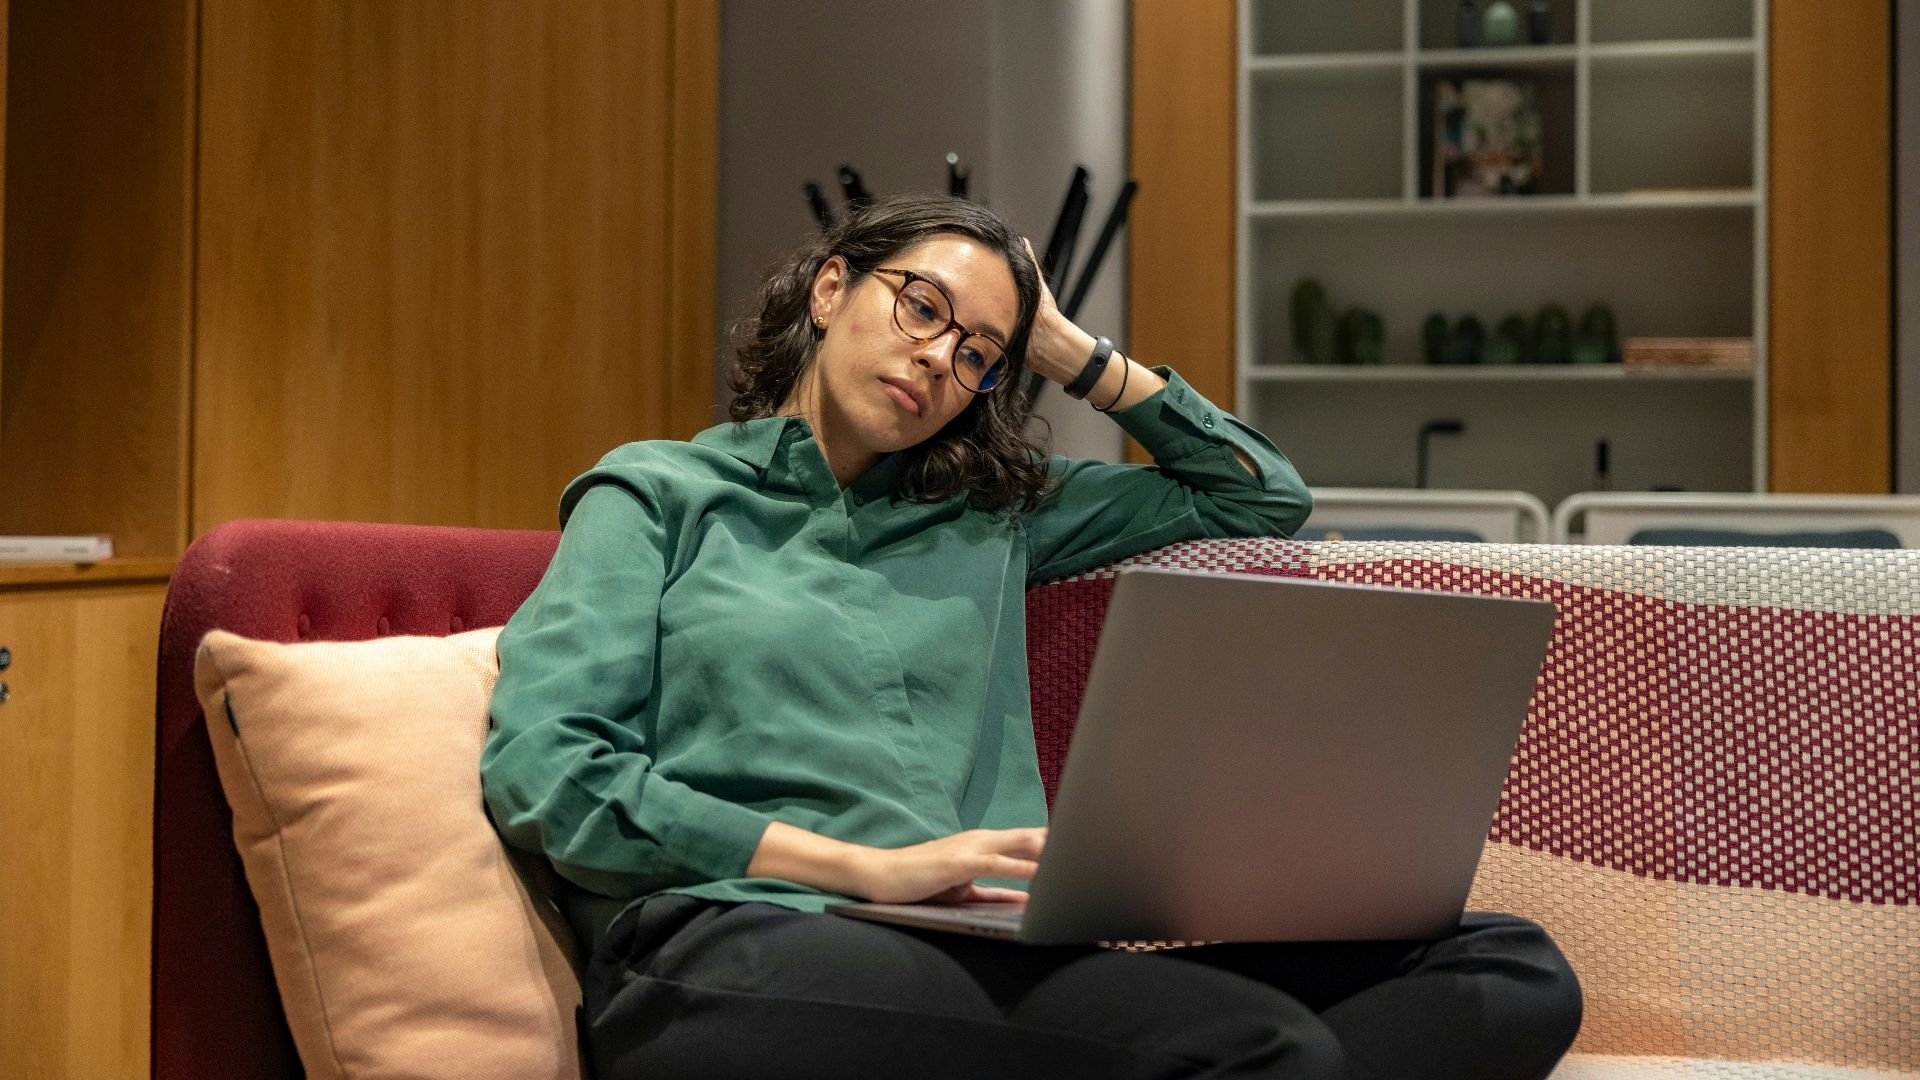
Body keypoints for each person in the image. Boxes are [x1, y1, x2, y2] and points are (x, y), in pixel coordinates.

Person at [481, 194, 1581, 1080]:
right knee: (1259, 1046)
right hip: (728, 945)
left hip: (973, 945)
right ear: (829, 289)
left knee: (1507, 971)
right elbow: (548, 770)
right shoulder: (658, 492)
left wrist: (1065, 347)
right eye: (921, 307)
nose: (938, 359)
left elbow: (1259, 496)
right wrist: (868, 869)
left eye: (978, 355)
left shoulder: (992, 509)